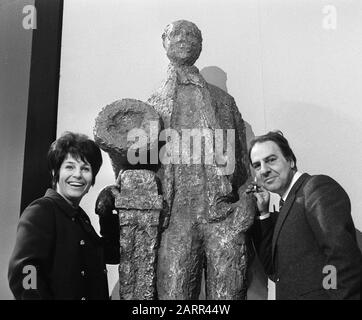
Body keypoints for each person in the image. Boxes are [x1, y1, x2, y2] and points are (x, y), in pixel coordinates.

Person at [147, 20, 255, 299]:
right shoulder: (151, 105)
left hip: (223, 215)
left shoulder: (223, 101)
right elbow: (140, 166)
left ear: (200, 45)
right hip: (175, 219)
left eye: (191, 34)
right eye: (176, 34)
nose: (183, 39)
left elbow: (242, 163)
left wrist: (247, 202)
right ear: (164, 42)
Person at [248, 130, 362, 299]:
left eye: (271, 160)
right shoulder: (286, 205)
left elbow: (342, 259)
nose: (264, 170)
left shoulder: (315, 188)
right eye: (257, 165)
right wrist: (263, 213)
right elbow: (274, 269)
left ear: (291, 161)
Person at [8, 132, 119, 300]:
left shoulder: (80, 218)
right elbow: (25, 271)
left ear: (92, 179)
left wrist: (108, 211)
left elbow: (110, 254)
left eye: (85, 169)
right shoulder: (42, 211)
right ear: (55, 172)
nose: (78, 175)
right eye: (69, 167)